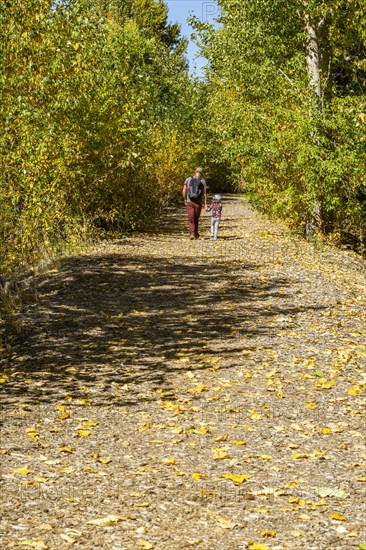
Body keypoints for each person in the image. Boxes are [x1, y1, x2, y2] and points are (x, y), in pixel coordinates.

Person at [183, 167, 207, 239]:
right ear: (201, 173)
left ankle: (192, 234)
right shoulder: (203, 181)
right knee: (196, 218)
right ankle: (195, 233)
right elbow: (204, 194)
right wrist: (205, 204)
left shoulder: (188, 179)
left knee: (191, 218)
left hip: (189, 201)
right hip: (198, 203)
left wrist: (184, 199)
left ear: (195, 172)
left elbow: (185, 190)